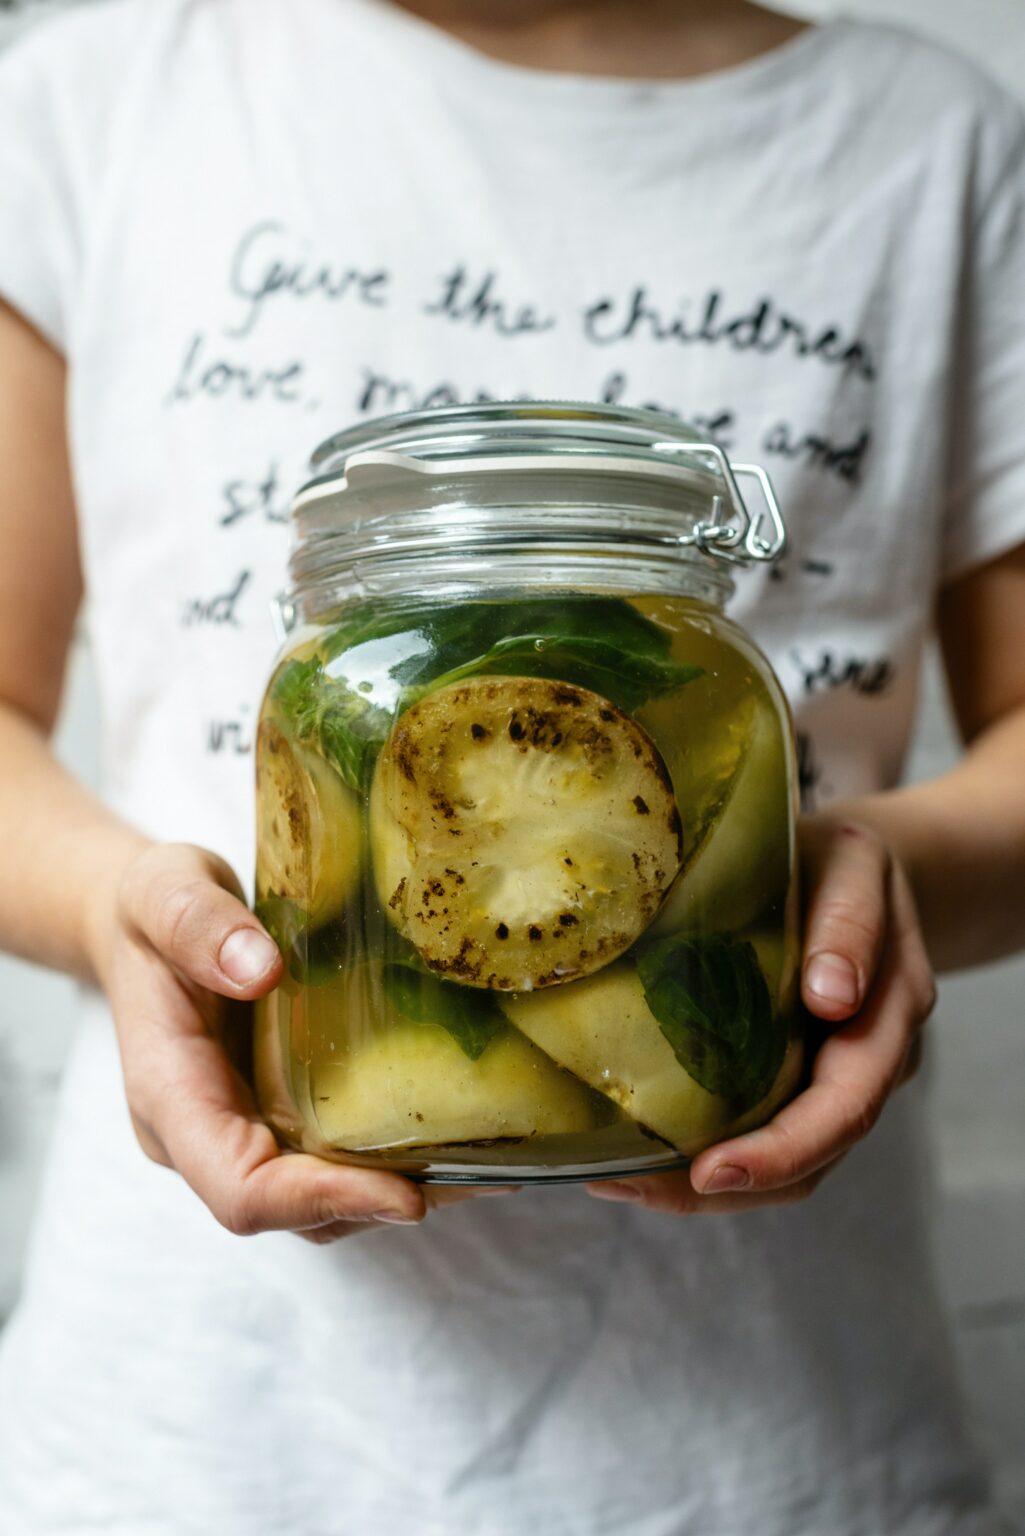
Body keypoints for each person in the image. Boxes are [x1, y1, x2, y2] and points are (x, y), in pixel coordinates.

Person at [0, 0, 1023, 1530]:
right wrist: (110, 912)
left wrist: (881, 878)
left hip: (780, 1442)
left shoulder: (943, 138)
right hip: (193, 1437)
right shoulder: (81, 101)